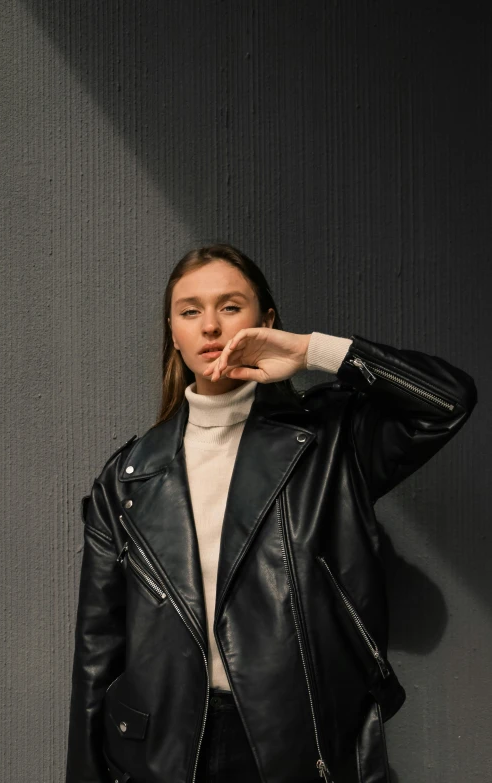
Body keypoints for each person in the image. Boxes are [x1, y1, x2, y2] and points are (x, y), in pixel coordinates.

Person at [65, 244, 477, 783]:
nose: (210, 326)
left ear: (266, 320)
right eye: (190, 311)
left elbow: (448, 400)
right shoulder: (127, 478)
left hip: (297, 742)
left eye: (230, 306)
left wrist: (311, 351)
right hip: (160, 749)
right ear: (173, 331)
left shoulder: (330, 443)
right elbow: (98, 650)